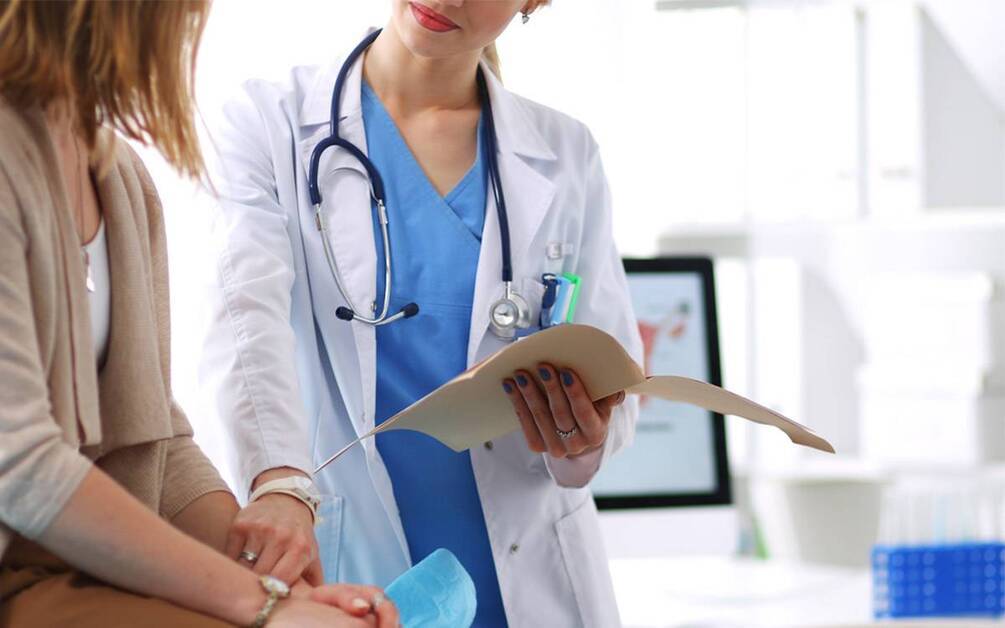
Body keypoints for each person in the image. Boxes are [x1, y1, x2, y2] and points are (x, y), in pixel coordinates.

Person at [203, 1, 643, 626]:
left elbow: (616, 372)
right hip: (350, 558)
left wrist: (583, 436)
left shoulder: (565, 152)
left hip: (528, 575)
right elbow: (243, 318)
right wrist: (278, 481)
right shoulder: (266, 122)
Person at [0, 1, 397, 626]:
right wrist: (261, 606)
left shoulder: (120, 177)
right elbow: (18, 465)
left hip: (74, 571)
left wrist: (282, 587)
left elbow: (156, 435)